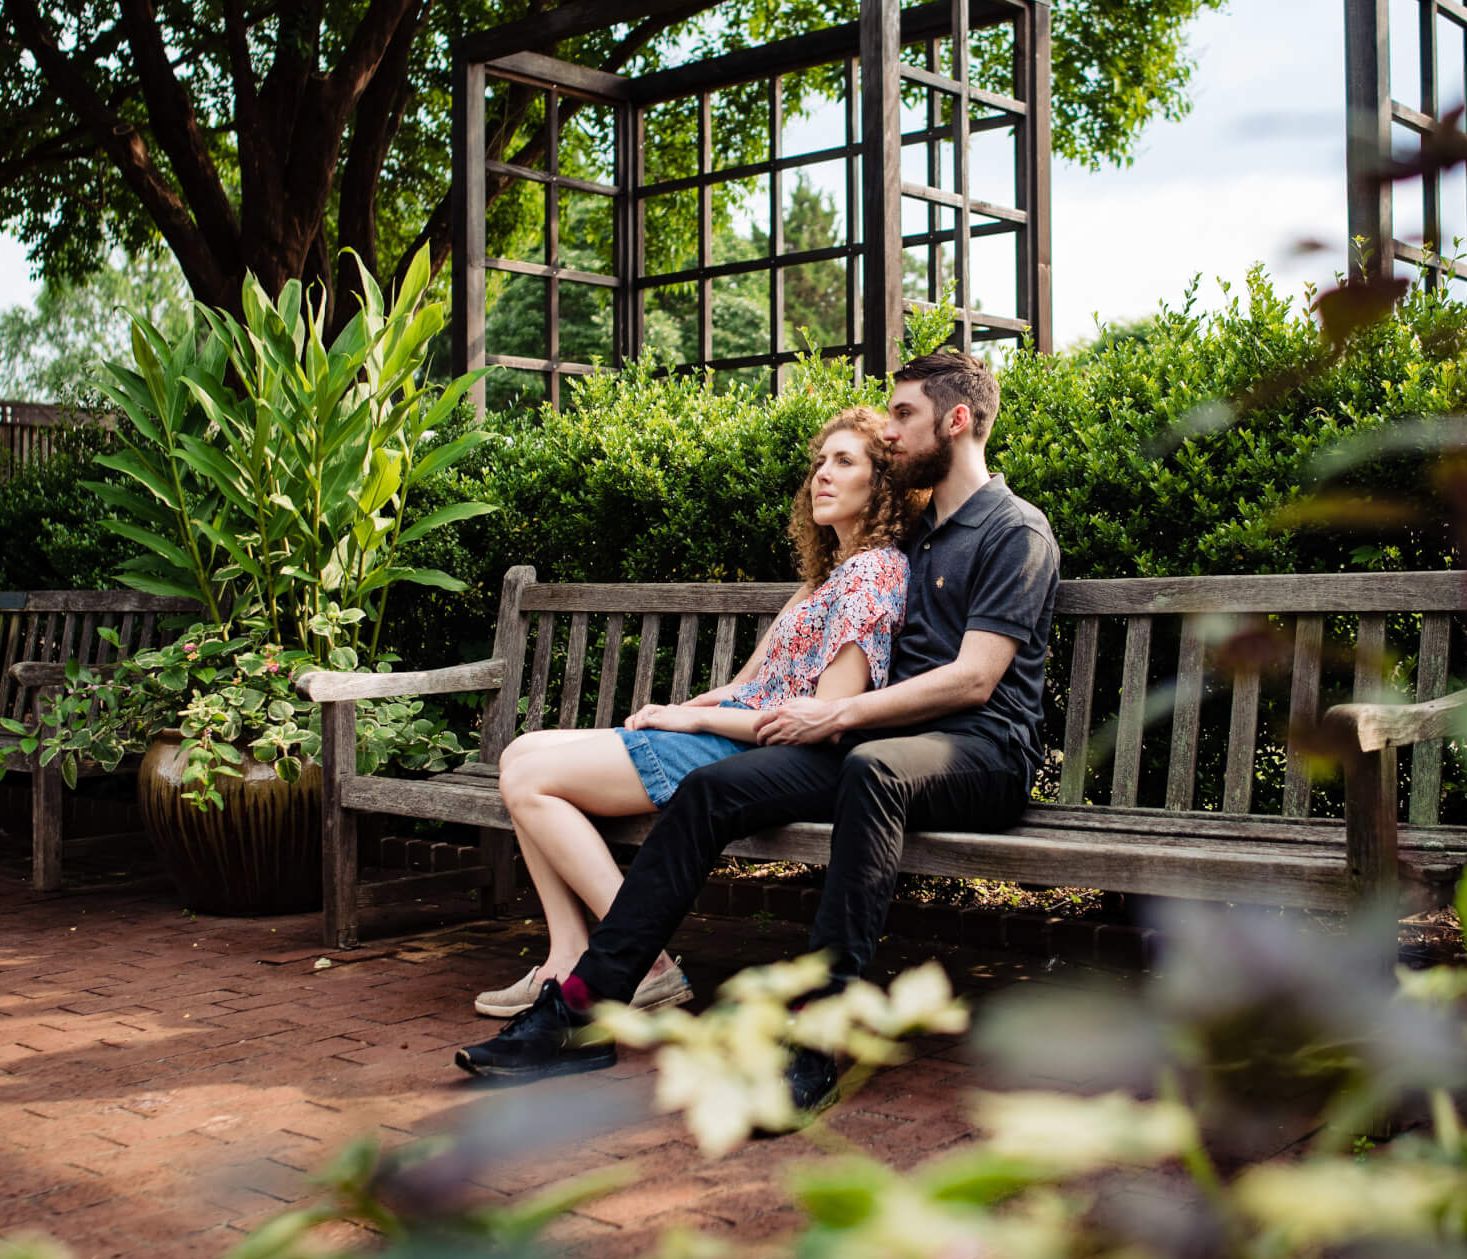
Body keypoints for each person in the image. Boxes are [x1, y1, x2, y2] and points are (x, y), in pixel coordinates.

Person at [454, 349, 1060, 1123]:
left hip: (980, 752)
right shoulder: (922, 537)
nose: (893, 432)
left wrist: (833, 714)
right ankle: (582, 1010)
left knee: (872, 769)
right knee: (711, 790)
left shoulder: (1016, 531)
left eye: (904, 415)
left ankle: (818, 1034)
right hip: (884, 744)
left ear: (958, 420)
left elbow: (975, 679)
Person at [467, 405, 918, 1031]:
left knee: (527, 780)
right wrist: (689, 708)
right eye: (820, 461)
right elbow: (748, 687)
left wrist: (692, 724)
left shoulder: (873, 576)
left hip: (760, 760)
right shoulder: (824, 578)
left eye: (845, 462)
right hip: (733, 735)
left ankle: (644, 963)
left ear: (882, 486)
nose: (822, 474)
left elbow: (822, 718)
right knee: (520, 753)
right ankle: (566, 955)